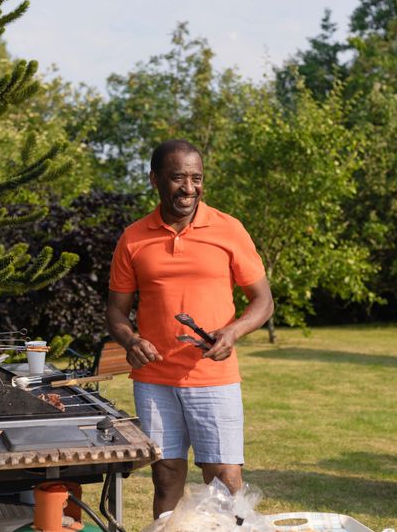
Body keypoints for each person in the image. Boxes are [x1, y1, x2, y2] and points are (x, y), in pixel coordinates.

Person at [106, 139, 274, 518]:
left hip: (213, 376)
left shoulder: (229, 229)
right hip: (154, 380)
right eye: (177, 177)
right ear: (154, 179)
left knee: (225, 477)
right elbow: (116, 311)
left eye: (196, 178)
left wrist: (231, 332)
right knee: (165, 476)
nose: (188, 187)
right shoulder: (133, 237)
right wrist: (130, 339)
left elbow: (263, 301)